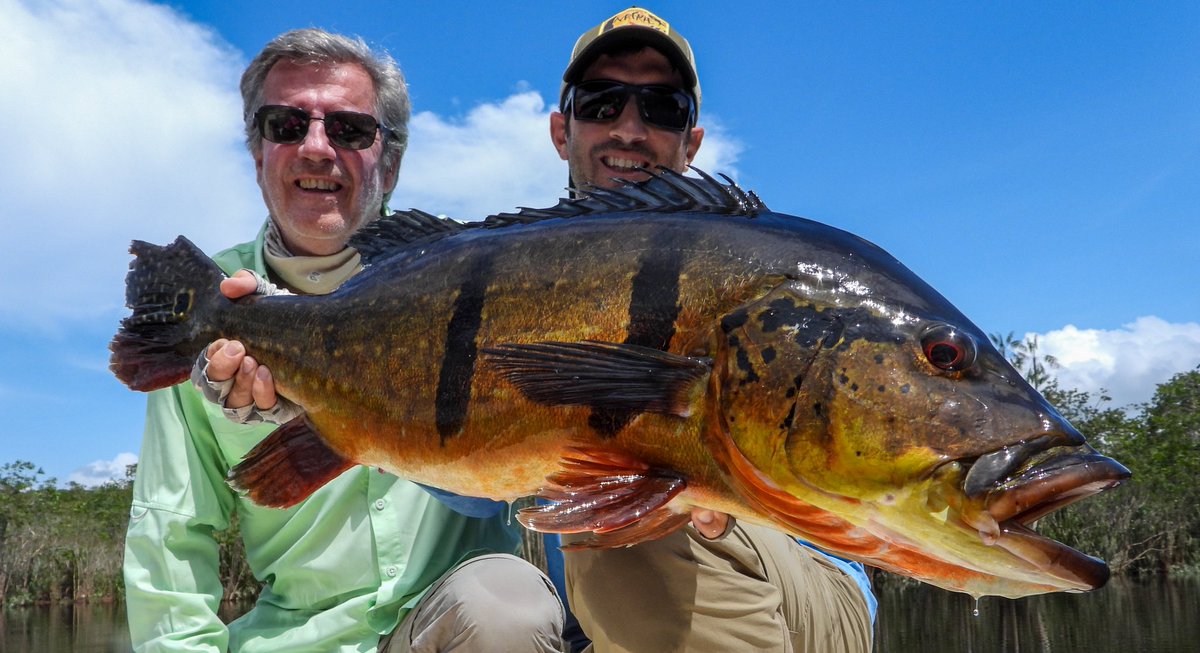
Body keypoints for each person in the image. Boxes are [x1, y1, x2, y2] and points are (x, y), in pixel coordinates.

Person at [205, 8, 878, 653]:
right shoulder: (524, 274)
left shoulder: (756, 267)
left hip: (799, 594)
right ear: (563, 130)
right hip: (608, 623)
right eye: (601, 104)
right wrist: (310, 387)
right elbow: (464, 464)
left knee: (632, 512)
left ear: (692, 141)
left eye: (662, 108)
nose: (629, 128)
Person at [122, 28, 564, 653]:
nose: (316, 148)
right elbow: (171, 529)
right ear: (257, 151)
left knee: (510, 605)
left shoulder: (477, 281)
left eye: (350, 130)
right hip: (289, 640)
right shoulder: (210, 309)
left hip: (448, 626)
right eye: (285, 124)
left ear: (391, 160)